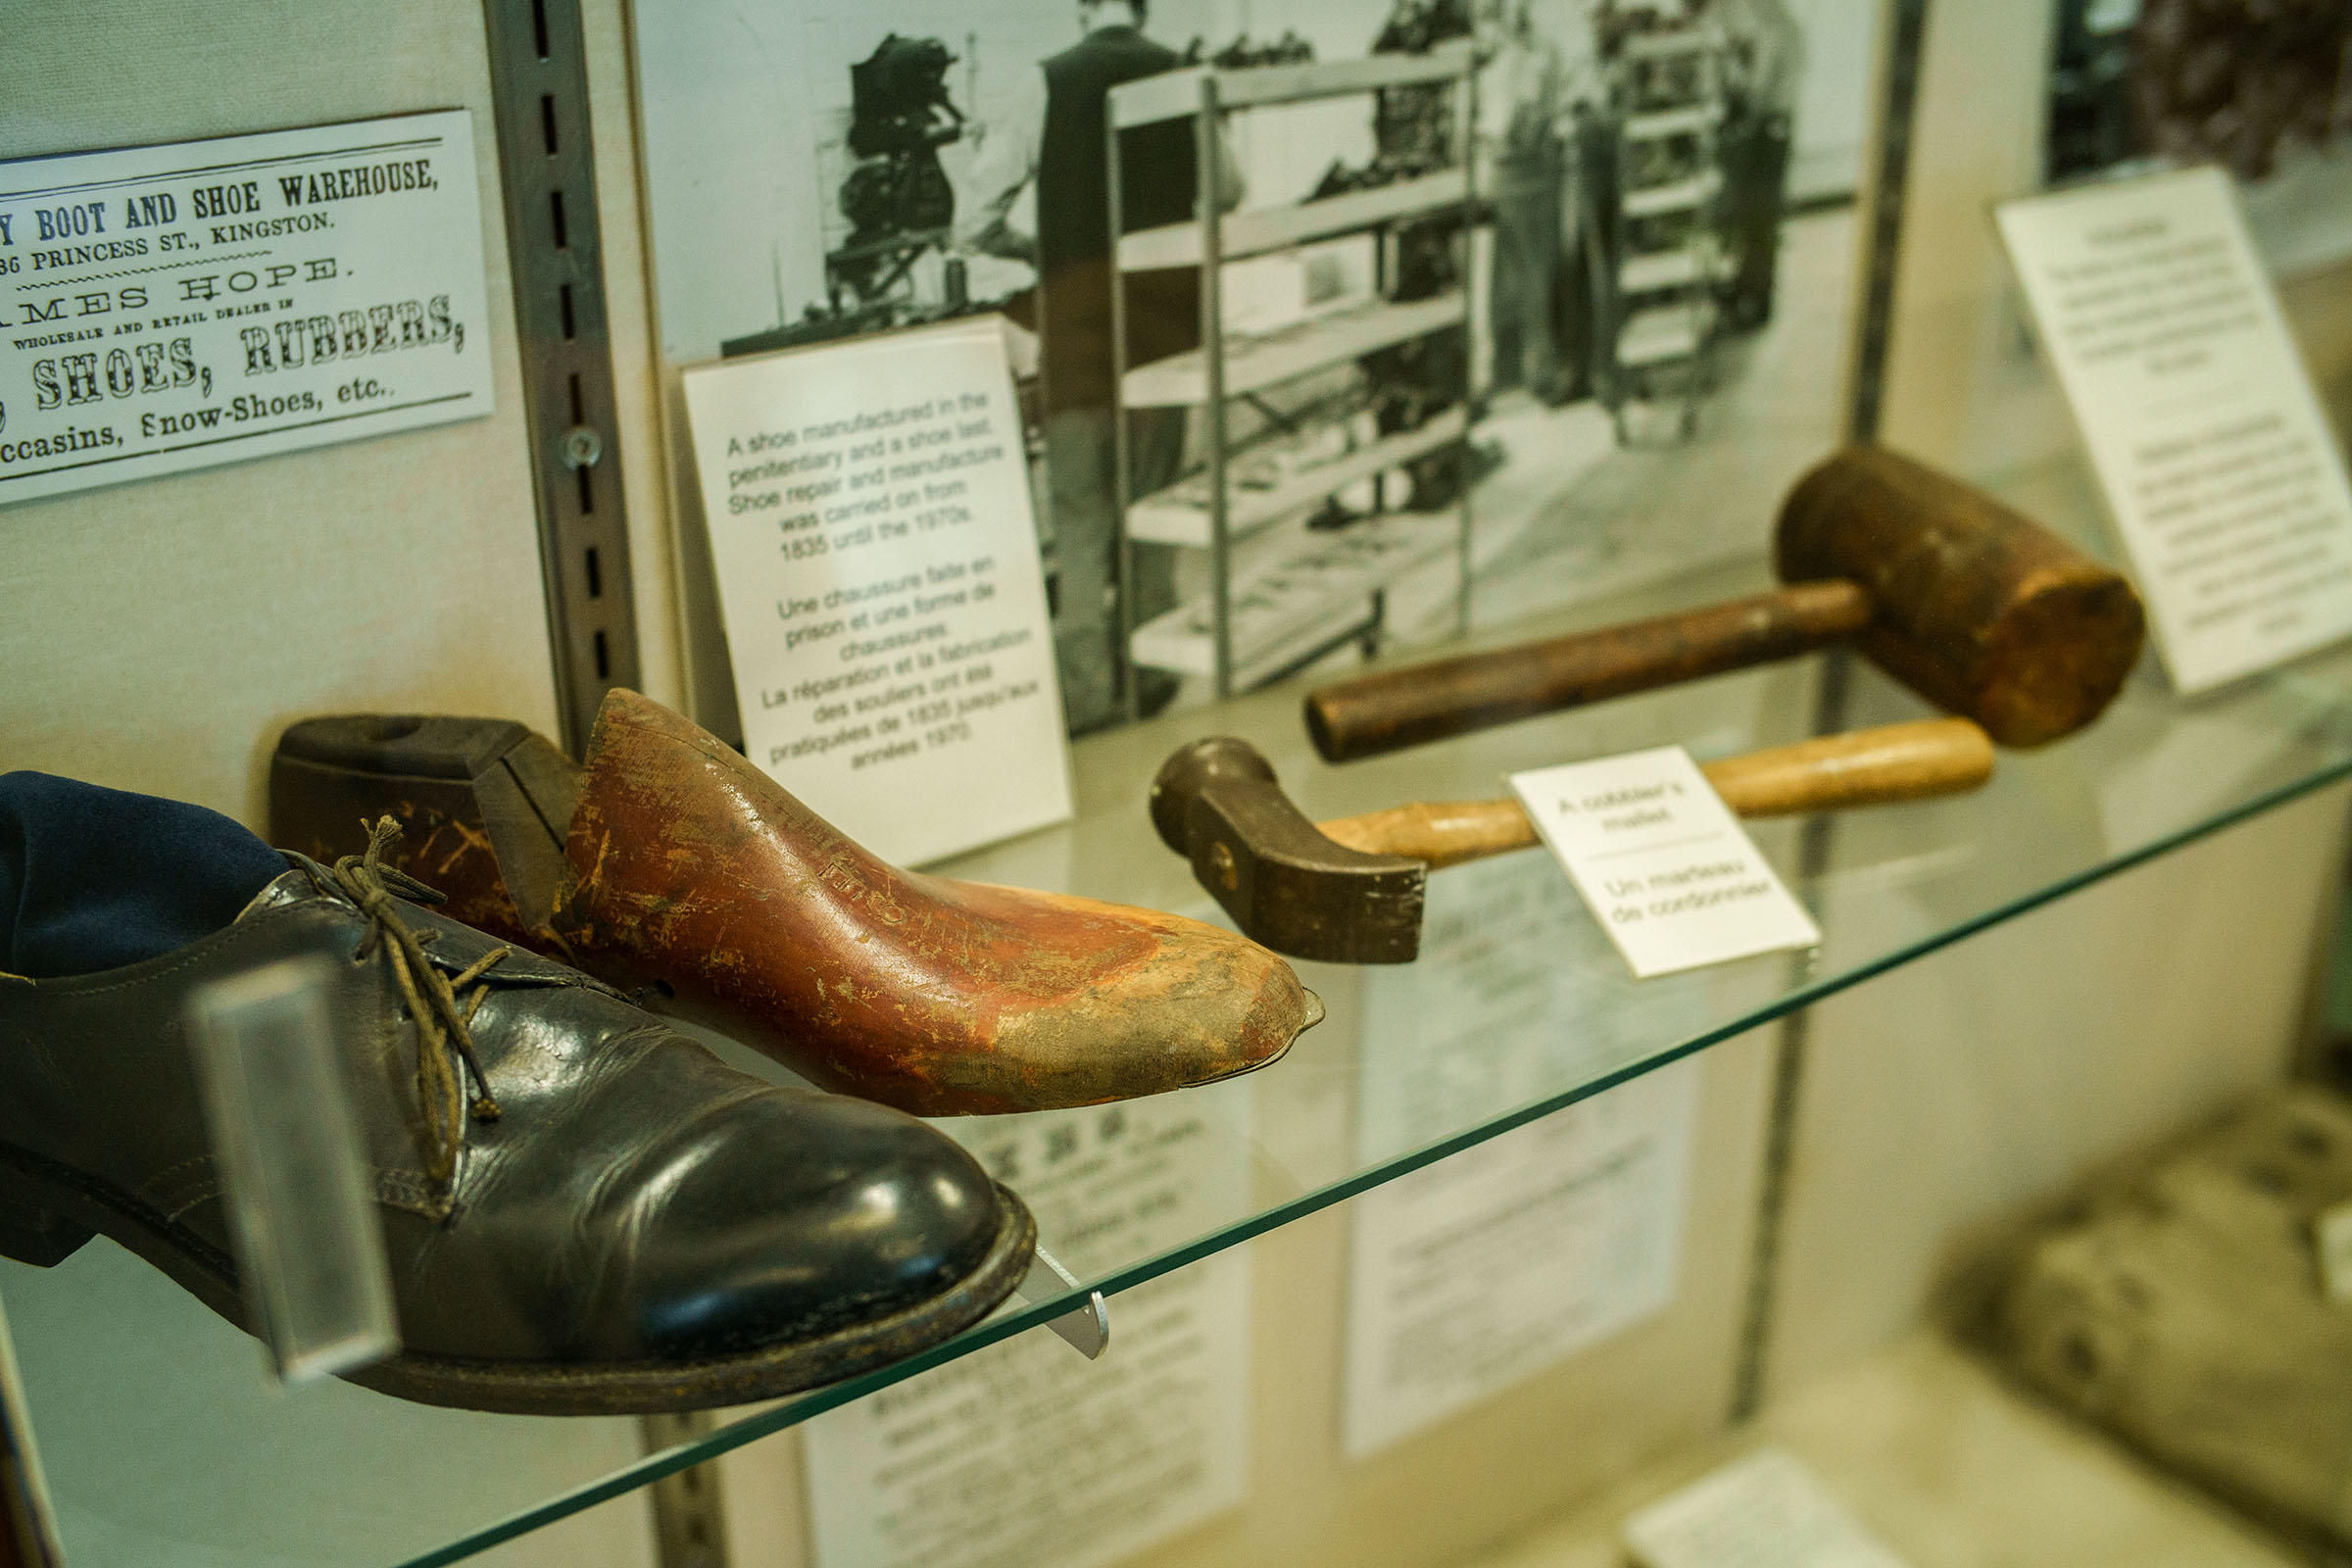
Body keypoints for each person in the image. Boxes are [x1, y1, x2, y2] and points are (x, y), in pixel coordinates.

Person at [962, 0, 1243, 732]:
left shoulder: (1046, 83)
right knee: (1152, 515)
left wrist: (1040, 248)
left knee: (1081, 526)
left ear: (1081, 8)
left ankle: (1088, 698)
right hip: (1164, 338)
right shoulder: (1185, 74)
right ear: (1143, 7)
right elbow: (1228, 190)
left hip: (1078, 341)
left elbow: (975, 216)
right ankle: (1150, 681)